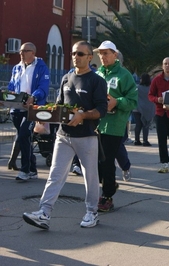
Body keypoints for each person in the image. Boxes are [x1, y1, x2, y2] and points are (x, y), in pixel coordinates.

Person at [22, 40, 108, 229]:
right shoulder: (66, 78)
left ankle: (91, 212)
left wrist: (83, 115)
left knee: (90, 176)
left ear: (89, 57)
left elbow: (102, 109)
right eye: (73, 54)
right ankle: (44, 213)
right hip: (64, 135)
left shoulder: (97, 81)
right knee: (55, 174)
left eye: (80, 54)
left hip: (87, 136)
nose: (76, 57)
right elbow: (59, 105)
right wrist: (41, 113)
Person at [95, 40, 137, 212]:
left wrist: (116, 102)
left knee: (106, 162)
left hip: (114, 126)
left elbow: (133, 101)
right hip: (96, 124)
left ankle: (107, 196)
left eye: (106, 53)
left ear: (115, 54)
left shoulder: (124, 75)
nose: (103, 57)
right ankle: (110, 184)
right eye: (100, 53)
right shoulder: (97, 74)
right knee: (94, 162)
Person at [7, 42, 49, 181]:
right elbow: (12, 85)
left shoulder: (41, 67)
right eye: (20, 51)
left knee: (24, 135)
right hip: (17, 109)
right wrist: (7, 95)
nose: (21, 53)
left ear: (33, 52)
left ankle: (25, 170)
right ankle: (32, 168)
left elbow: (44, 87)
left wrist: (33, 97)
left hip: (32, 109)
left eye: (25, 51)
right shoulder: (17, 67)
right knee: (24, 138)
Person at [148, 57, 169, 173]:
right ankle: (164, 164)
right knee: (161, 140)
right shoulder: (156, 80)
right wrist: (157, 99)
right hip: (160, 114)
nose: (168, 66)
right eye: (165, 64)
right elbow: (150, 95)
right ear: (162, 66)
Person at [132, 73, 155, 146]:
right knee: (146, 125)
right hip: (147, 109)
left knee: (138, 125)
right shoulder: (151, 88)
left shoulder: (137, 88)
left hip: (137, 108)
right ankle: (145, 141)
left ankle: (136, 140)